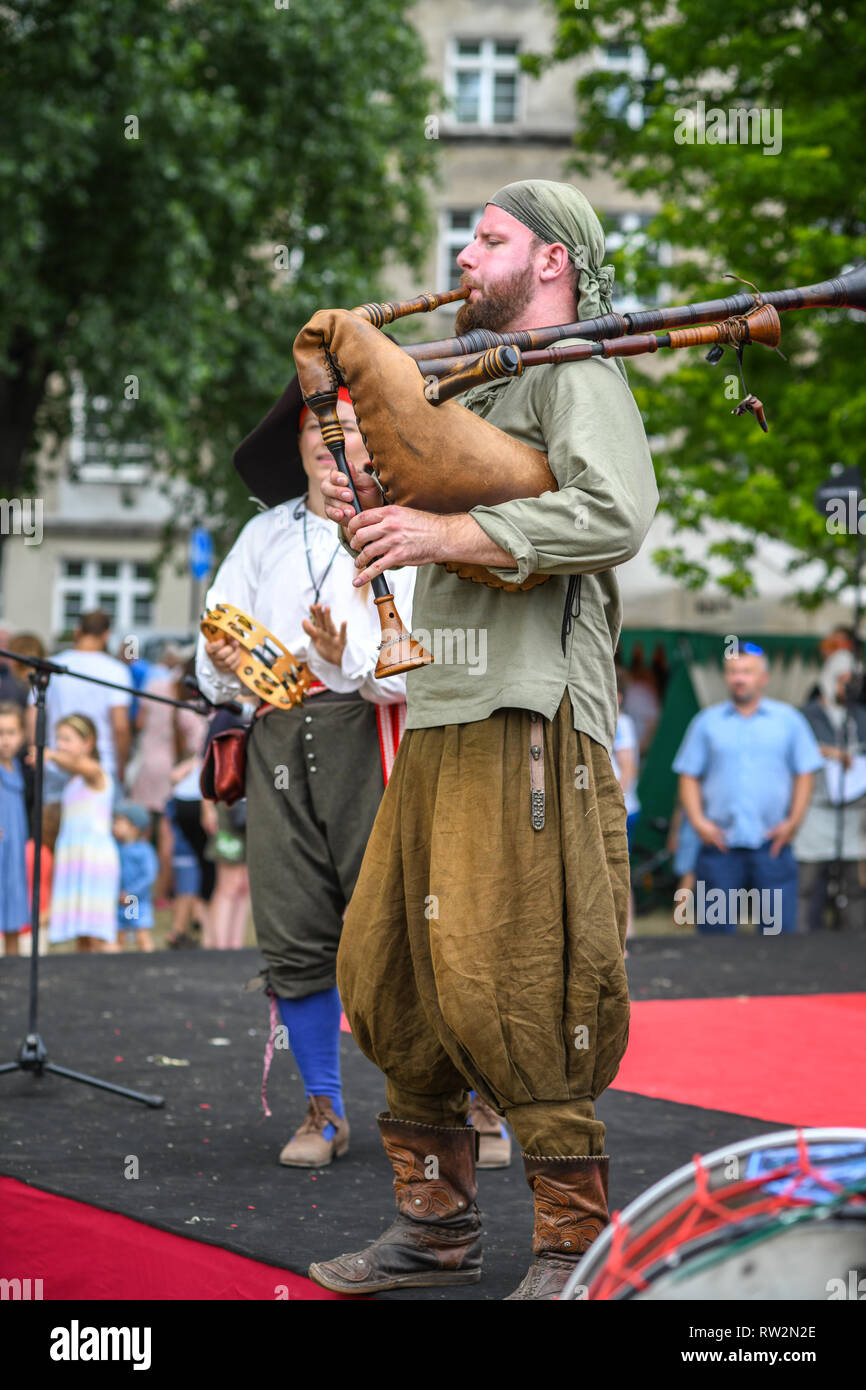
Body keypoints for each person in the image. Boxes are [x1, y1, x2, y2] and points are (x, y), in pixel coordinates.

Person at [307, 179, 658, 1298]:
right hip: (446, 708)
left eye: (488, 237)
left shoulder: (575, 370)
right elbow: (432, 500)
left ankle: (567, 1247)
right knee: (393, 971)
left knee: (526, 976)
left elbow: (615, 512)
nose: (463, 253)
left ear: (549, 261)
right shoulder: (475, 379)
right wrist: (355, 490)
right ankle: (434, 1227)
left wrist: (449, 526)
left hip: (529, 711)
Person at [196, 385, 415, 1168]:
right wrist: (223, 667)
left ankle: (450, 1106)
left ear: (368, 442)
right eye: (314, 430)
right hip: (276, 738)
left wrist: (336, 657)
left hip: (372, 737)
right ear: (298, 448)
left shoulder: (401, 528)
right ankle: (324, 1112)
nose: (328, 439)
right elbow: (215, 641)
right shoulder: (262, 537)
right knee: (292, 930)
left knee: (400, 931)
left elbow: (407, 675)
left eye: (345, 428)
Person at [673, 645, 824, 936]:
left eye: (746, 671)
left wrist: (793, 822)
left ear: (763, 677)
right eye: (732, 672)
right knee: (715, 942)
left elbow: (805, 773)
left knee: (778, 939)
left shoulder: (788, 720)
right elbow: (688, 775)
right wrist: (699, 823)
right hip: (719, 847)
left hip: (773, 845)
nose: (739, 678)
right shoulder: (706, 722)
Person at [31, 612, 132, 850]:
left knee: (52, 842)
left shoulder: (52, 665)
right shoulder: (115, 671)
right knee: (94, 840)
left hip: (58, 763)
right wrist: (121, 766)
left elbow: (32, 714)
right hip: (99, 764)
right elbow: (120, 726)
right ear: (106, 636)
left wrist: (37, 751)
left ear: (78, 631)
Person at [795, 650, 866, 931]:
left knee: (853, 888)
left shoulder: (859, 716)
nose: (846, 688)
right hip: (814, 811)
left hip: (852, 813)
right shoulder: (805, 715)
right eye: (842, 681)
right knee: (808, 885)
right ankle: (799, 943)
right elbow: (793, 751)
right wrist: (828, 752)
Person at [45, 714, 120, 952]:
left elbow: (83, 766)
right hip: (75, 859)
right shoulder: (73, 782)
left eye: (67, 739)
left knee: (99, 933)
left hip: (94, 859)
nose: (61, 744)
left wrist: (50, 755)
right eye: (58, 739)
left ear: (88, 743)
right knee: (83, 936)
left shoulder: (97, 773)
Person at [0, 702, 30, 955]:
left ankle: (13, 964)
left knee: (12, 910)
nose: (5, 740)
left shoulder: (19, 768)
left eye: (11, 733)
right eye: (0, 733)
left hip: (15, 849)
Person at [113, 801, 159, 951]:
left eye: (120, 822)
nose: (115, 825)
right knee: (119, 935)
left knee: (142, 933)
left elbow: (149, 876)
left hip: (138, 901)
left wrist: (131, 893)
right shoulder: (115, 848)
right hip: (119, 901)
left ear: (134, 828)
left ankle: (149, 963)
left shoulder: (145, 850)